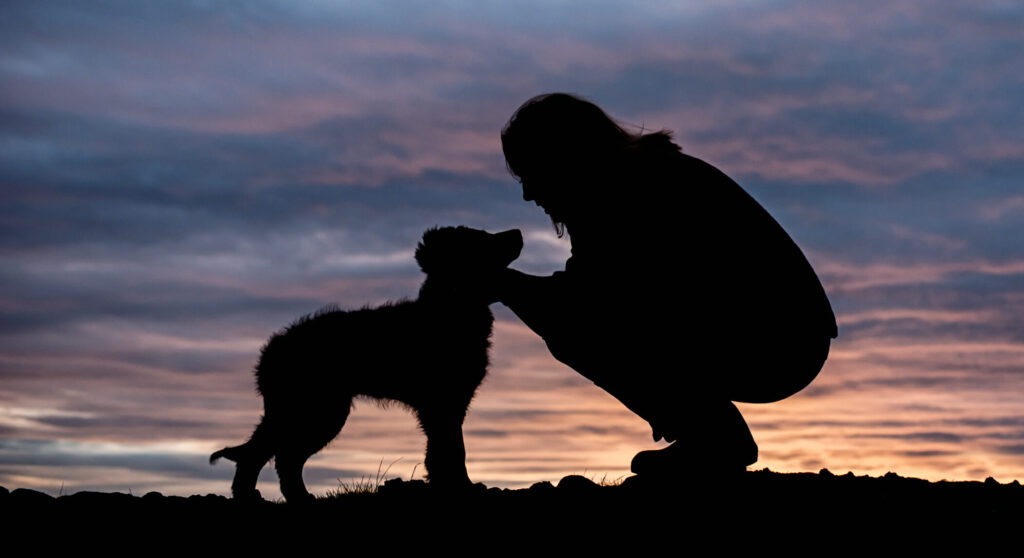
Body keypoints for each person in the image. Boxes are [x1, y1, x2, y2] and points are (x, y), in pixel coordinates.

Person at [496, 93, 837, 476]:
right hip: (782, 334)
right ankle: (711, 435)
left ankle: (714, 438)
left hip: (777, 340)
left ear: (561, 156)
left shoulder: (625, 191)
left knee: (577, 330)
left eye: (531, 173)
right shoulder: (635, 177)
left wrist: (499, 283)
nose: (528, 193)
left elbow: (584, 304)